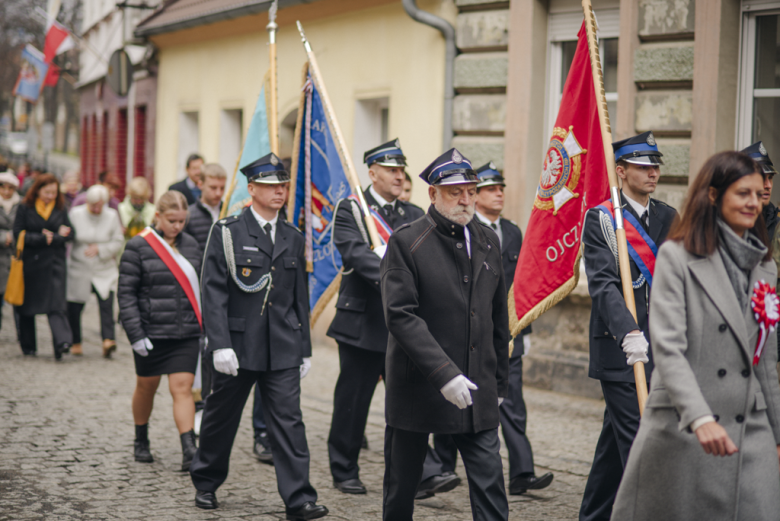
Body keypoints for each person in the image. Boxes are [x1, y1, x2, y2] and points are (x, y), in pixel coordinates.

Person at [611, 150, 780, 520]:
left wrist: (777, 433)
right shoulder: (677, 256)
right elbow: (668, 349)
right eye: (742, 193)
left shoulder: (765, 265)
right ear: (715, 195)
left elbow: (765, 360)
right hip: (684, 426)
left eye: (758, 193)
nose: (754, 202)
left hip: (750, 430)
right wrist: (700, 417)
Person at [189, 153, 328, 521]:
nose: (279, 192)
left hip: (282, 345)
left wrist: (305, 348)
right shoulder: (228, 231)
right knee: (221, 417)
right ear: (252, 189)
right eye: (270, 186)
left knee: (289, 421)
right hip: (237, 345)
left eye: (282, 186)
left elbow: (300, 296)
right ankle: (205, 481)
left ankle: (299, 499)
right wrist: (218, 343)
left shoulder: (292, 236)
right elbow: (213, 291)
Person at [381, 148, 510, 520]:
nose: (466, 199)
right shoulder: (407, 242)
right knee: (402, 488)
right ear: (433, 194)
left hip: (477, 387)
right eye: (455, 192)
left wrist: (499, 383)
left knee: (490, 485)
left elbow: (496, 316)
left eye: (470, 190)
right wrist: (444, 373)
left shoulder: (488, 239)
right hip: (419, 388)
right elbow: (400, 315)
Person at [420, 161, 554, 499]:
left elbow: (520, 283)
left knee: (510, 404)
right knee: (454, 405)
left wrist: (521, 327)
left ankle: (522, 471)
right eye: (491, 189)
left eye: (501, 188)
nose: (499, 194)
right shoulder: (457, 229)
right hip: (462, 335)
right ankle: (443, 468)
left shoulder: (508, 231)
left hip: (506, 331)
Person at [578, 131, 679, 521]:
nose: (652, 172)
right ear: (620, 171)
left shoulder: (668, 216)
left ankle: (593, 516)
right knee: (642, 445)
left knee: (612, 450)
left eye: (655, 165)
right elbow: (602, 285)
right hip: (622, 349)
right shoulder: (602, 218)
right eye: (642, 166)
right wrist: (628, 332)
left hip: (660, 348)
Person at [326, 139, 425, 495]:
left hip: (403, 324)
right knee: (354, 400)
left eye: (402, 170)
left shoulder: (414, 215)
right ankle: (344, 467)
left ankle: (420, 471)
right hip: (363, 321)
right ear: (372, 173)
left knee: (409, 400)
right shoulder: (352, 210)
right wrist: (400, 280)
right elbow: (357, 256)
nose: (400, 176)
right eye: (392, 170)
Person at [118, 190, 202, 470]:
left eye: (182, 220)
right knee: (146, 387)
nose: (178, 226)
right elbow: (126, 294)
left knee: (183, 389)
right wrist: (135, 334)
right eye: (172, 220)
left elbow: (202, 288)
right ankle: (141, 438)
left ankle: (189, 448)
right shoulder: (138, 246)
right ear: (158, 216)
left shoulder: (192, 245)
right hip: (151, 333)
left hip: (186, 333)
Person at [13, 174, 74, 359]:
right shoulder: (25, 208)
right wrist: (41, 238)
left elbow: (70, 234)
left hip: (55, 264)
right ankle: (28, 346)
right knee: (28, 306)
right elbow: (18, 233)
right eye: (47, 192)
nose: (50, 196)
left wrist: (56, 236)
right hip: (32, 263)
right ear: (37, 190)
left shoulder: (60, 208)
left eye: (54, 193)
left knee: (57, 305)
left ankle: (62, 343)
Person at [66, 185, 124, 357]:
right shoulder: (76, 214)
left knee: (106, 304)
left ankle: (108, 340)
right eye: (93, 205)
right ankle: (76, 341)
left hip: (103, 268)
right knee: (75, 306)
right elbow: (69, 237)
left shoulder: (112, 216)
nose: (97, 209)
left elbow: (118, 240)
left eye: (100, 205)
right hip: (80, 266)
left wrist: (100, 249)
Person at [184, 163, 226, 250]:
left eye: (222, 188)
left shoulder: (230, 212)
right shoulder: (188, 215)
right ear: (200, 185)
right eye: (213, 188)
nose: (218, 193)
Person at [0, 170, 20, 330]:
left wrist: (13, 237)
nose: (6, 191)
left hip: (14, 257)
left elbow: (24, 226)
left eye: (10, 188)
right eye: (3, 187)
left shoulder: (20, 205)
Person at [118, 177, 156, 241]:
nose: (138, 201)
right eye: (135, 198)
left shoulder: (153, 211)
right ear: (130, 194)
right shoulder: (120, 209)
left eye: (142, 198)